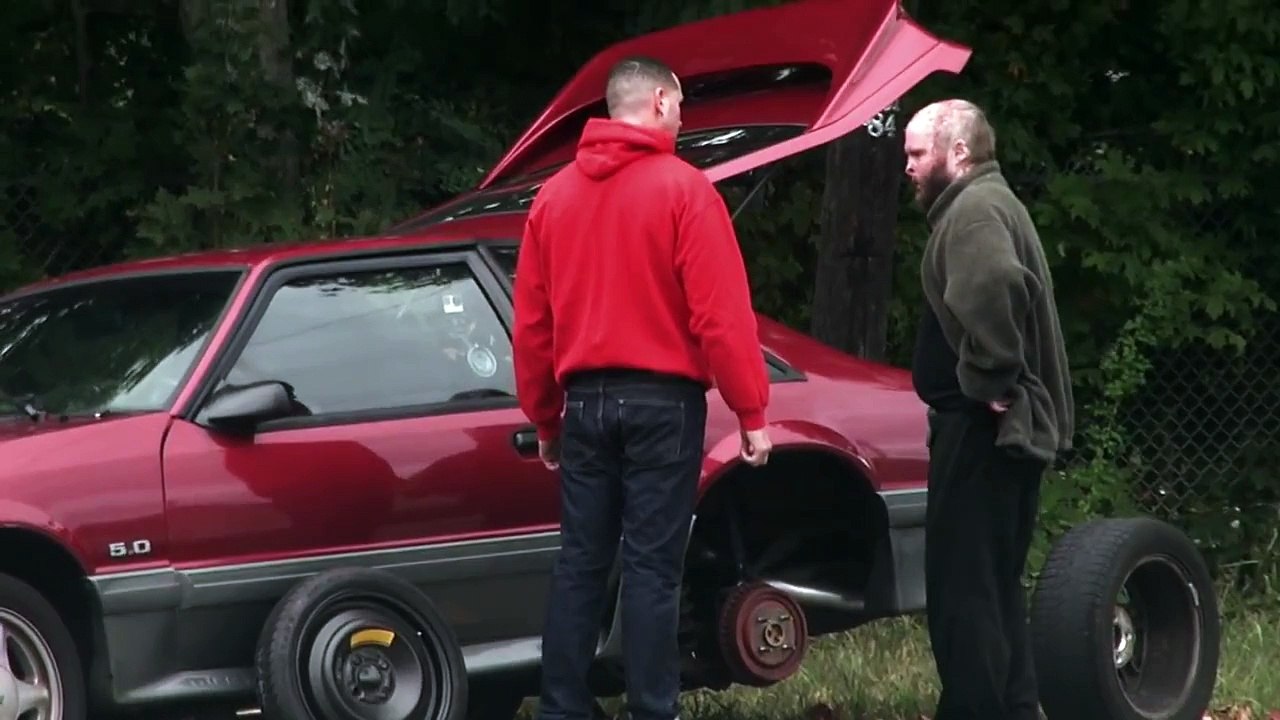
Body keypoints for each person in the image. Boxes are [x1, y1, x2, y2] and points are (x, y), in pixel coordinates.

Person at [512, 56, 773, 720]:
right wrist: (751, 409)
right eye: (680, 105)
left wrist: (545, 419)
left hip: (584, 403)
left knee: (580, 562)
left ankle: (562, 707)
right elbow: (720, 316)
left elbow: (534, 325)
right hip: (662, 402)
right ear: (659, 101)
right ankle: (652, 709)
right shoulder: (686, 190)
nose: (683, 119)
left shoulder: (553, 198)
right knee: (653, 568)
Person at [902, 98, 1074, 720]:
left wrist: (989, 376)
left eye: (917, 153)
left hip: (982, 430)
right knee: (996, 583)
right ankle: (1015, 707)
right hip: (998, 431)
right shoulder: (991, 202)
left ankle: (975, 709)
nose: (908, 167)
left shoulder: (973, 211)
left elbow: (996, 281)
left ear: (958, 153)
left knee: (963, 587)